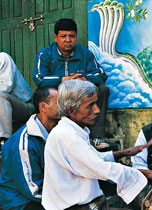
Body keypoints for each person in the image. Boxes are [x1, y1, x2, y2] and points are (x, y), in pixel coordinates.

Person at [42, 79, 152, 210]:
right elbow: (99, 168)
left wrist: (123, 153)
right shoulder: (69, 138)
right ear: (71, 110)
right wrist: (141, 173)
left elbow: (91, 159)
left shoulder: (69, 131)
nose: (97, 110)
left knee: (127, 197)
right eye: (90, 106)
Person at [32, 18, 109, 149]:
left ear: (76, 37)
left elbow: (101, 74)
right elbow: (39, 78)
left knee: (102, 89)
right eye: (63, 36)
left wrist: (83, 79)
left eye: (71, 36)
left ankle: (96, 138)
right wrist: (63, 80)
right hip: (59, 96)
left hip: (79, 96)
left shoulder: (85, 53)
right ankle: (47, 136)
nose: (68, 40)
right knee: (41, 94)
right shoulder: (45, 54)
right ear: (56, 37)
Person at [0, 87, 60, 210]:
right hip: (22, 204)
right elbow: (33, 190)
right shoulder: (23, 142)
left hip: (47, 197)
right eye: (58, 102)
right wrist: (66, 201)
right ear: (43, 107)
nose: (64, 107)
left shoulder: (56, 131)